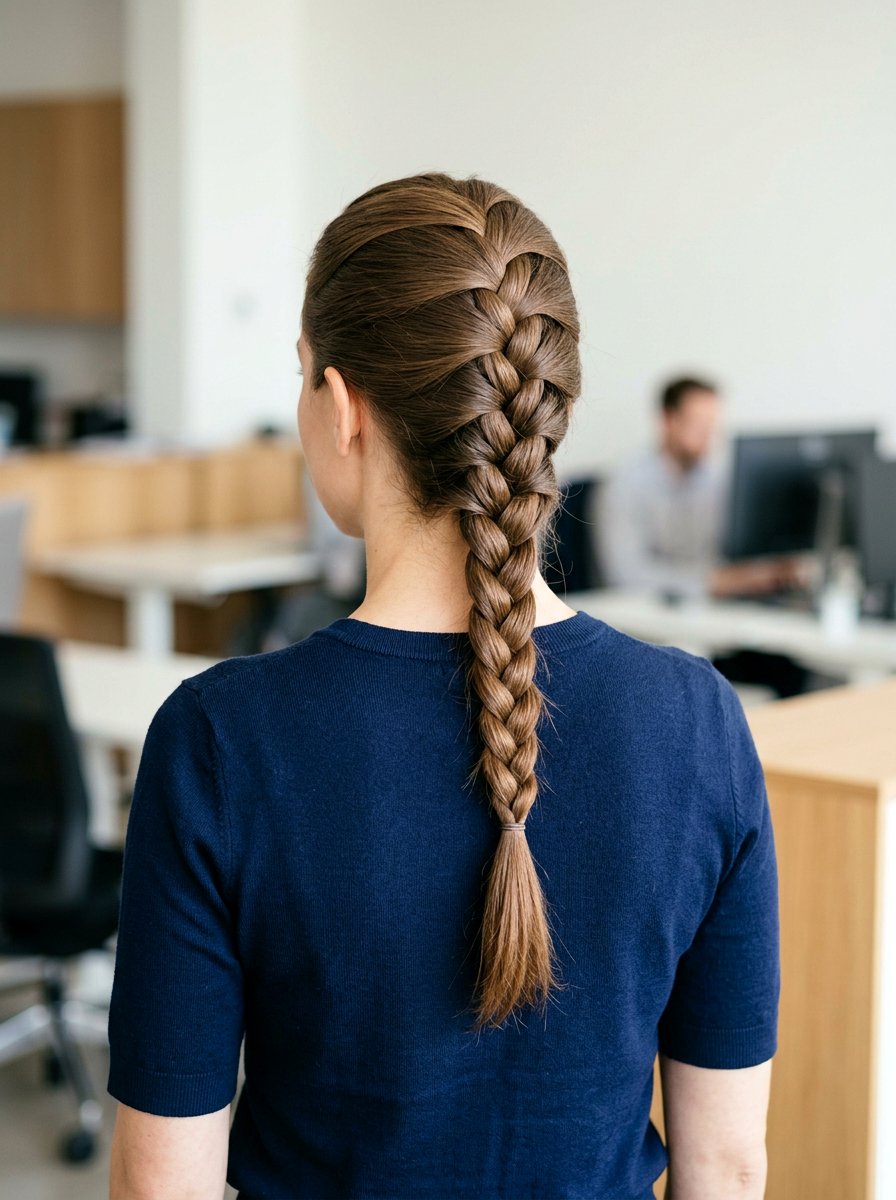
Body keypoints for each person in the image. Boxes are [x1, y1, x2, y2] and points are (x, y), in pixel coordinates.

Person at [107, 175, 779, 1200]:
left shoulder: (220, 739)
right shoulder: (699, 725)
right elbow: (724, 1169)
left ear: (338, 405)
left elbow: (163, 1188)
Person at [599, 376, 802, 600]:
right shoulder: (625, 484)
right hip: (649, 611)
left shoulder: (716, 478)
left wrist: (766, 570)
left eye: (713, 426)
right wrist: (712, 583)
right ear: (668, 420)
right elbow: (625, 575)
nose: (708, 436)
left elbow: (731, 552)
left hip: (709, 607)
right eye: (699, 425)